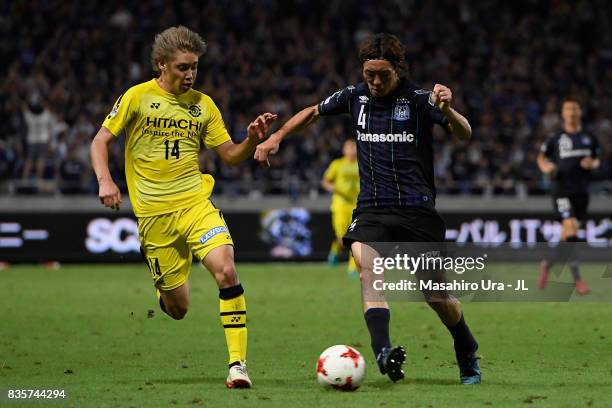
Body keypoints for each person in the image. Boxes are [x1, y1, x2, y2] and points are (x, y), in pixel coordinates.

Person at [255, 33, 481, 384]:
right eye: (369, 74)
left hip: (417, 210)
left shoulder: (420, 100)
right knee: (368, 271)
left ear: (398, 70)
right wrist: (276, 137)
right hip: (372, 208)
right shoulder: (354, 96)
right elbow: (314, 112)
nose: (374, 82)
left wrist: (449, 109)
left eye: (383, 75)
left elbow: (464, 133)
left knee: (436, 295)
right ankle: (383, 351)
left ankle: (465, 345)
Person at [90, 26, 276, 388]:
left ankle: (237, 365)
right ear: (162, 64)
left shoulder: (203, 105)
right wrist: (105, 180)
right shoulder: (137, 97)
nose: (190, 74)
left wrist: (250, 140)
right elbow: (101, 141)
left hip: (195, 203)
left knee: (225, 270)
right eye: (182, 67)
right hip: (154, 216)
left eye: (194, 67)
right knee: (178, 310)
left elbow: (230, 157)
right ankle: (165, 291)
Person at [537, 98, 600, 295]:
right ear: (563, 114)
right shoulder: (555, 138)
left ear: (579, 112)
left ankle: (547, 264)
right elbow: (541, 158)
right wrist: (546, 167)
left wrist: (593, 164)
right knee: (571, 228)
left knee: (568, 238)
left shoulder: (589, 138)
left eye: (574, 108)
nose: (571, 112)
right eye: (567, 109)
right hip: (561, 190)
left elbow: (597, 160)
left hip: (581, 193)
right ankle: (578, 279)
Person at [321, 139, 359, 276]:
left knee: (355, 237)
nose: (352, 150)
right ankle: (335, 251)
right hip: (341, 204)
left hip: (357, 204)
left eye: (354, 147)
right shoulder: (337, 164)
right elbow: (325, 181)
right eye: (349, 147)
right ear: (344, 150)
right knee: (342, 238)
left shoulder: (362, 164)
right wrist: (332, 187)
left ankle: (353, 268)